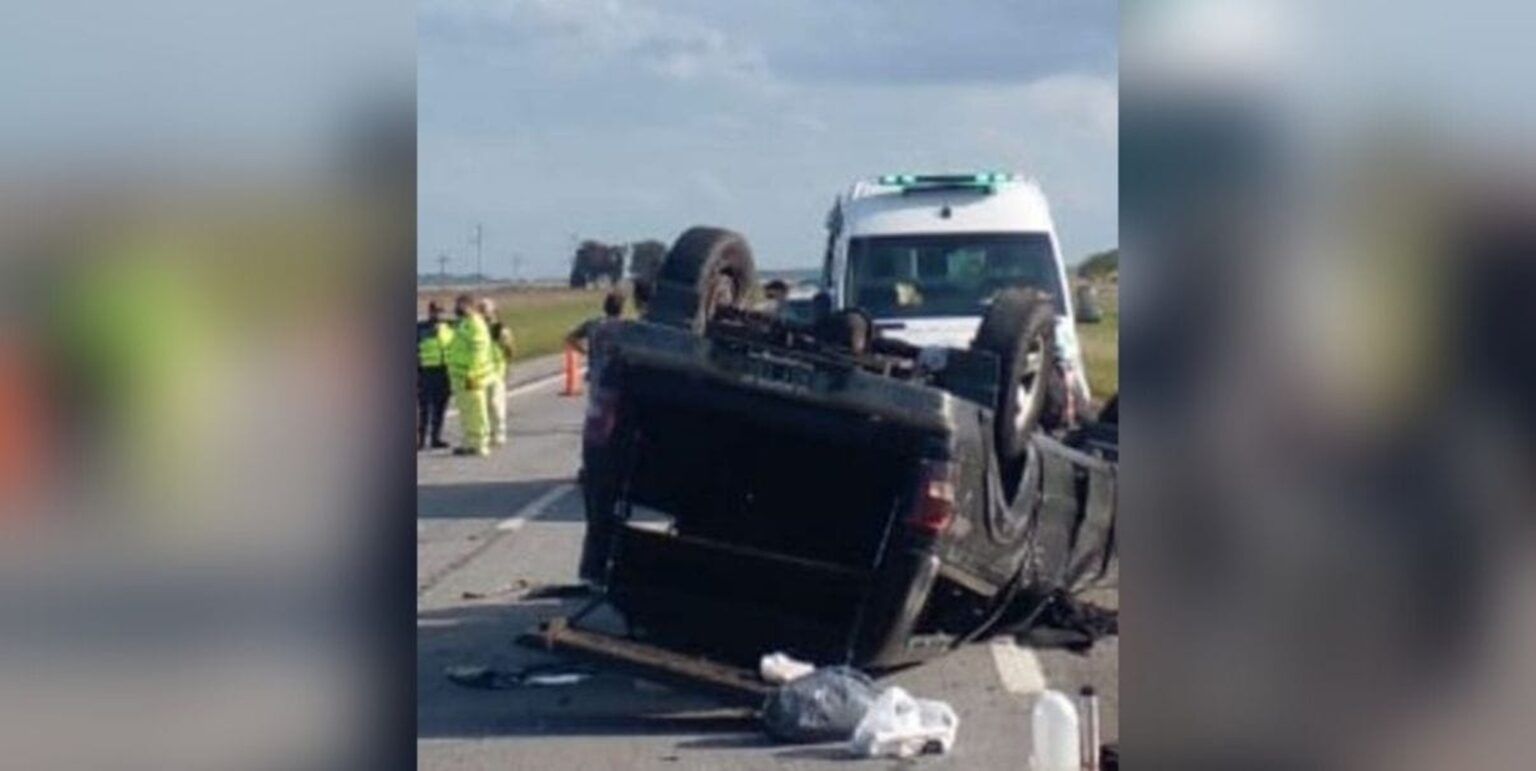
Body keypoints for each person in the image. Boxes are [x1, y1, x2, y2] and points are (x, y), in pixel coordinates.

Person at [446, 294, 494, 456]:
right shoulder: (464, 323)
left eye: (460, 305)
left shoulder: (475, 324)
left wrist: (472, 373)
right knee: (466, 411)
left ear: (469, 306)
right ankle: (469, 441)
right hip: (460, 374)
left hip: (472, 375)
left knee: (477, 411)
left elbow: (478, 351)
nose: (457, 308)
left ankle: (480, 443)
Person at [478, 297, 517, 447]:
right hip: (481, 371)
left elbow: (510, 348)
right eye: (480, 309)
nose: (482, 312)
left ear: (493, 310)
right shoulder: (478, 327)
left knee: (496, 403)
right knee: (482, 404)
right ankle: (486, 433)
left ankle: (499, 433)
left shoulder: (500, 328)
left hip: (496, 371)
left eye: (485, 308)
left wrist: (507, 365)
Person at [565, 290, 625, 387]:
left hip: (596, 375)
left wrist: (584, 351)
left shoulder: (593, 324)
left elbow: (570, 337)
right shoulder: (625, 327)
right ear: (621, 308)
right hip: (616, 376)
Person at [416, 301, 454, 450]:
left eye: (441, 312)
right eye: (436, 311)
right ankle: (421, 440)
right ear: (430, 312)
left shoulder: (450, 327)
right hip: (426, 372)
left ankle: (435, 438)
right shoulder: (420, 328)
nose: (438, 315)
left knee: (440, 406)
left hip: (445, 371)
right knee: (425, 408)